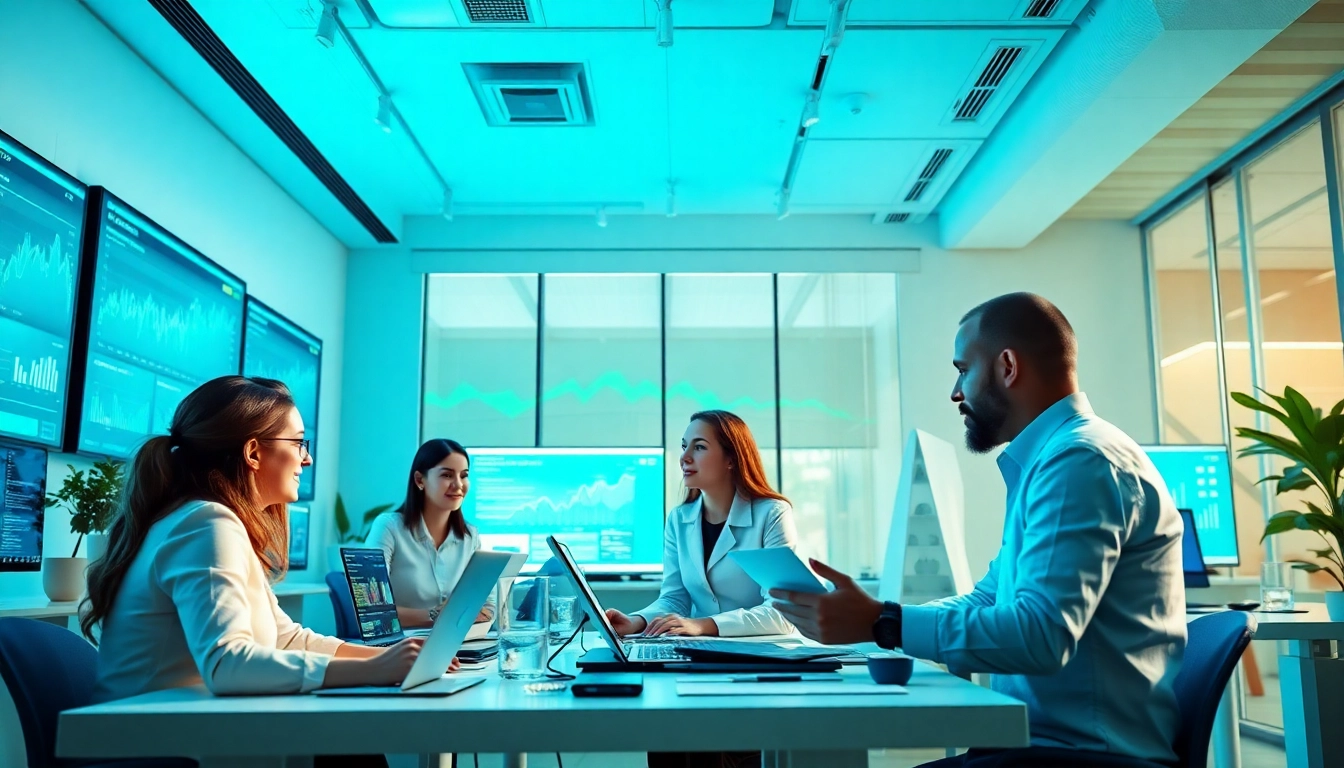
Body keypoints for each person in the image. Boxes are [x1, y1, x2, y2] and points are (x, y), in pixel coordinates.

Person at [772, 293, 1186, 768]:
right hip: (1041, 748)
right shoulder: (1056, 460)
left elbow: (1040, 635)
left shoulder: (1079, 461)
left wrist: (883, 622)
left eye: (963, 370)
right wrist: (867, 621)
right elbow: (989, 597)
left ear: (1007, 366)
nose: (956, 392)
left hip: (1080, 759)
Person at [84, 377, 437, 768]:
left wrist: (387, 657)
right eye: (298, 443)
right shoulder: (206, 524)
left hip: (186, 734)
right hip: (155, 752)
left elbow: (287, 638)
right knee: (348, 746)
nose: (307, 459)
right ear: (253, 452)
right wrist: (372, 669)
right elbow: (227, 664)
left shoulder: (208, 521)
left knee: (348, 743)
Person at [606, 410, 799, 639]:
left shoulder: (772, 514)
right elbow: (674, 599)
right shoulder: (679, 519)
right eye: (684, 446)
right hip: (701, 650)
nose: (685, 457)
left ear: (731, 459)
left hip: (762, 651)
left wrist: (702, 625)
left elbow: (783, 612)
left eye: (699, 447)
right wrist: (636, 622)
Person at [365, 439, 492, 629]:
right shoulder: (389, 527)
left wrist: (482, 614)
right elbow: (371, 610)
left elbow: (488, 606)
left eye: (464, 475)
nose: (458, 485)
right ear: (419, 480)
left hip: (457, 641)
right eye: (447, 475)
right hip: (400, 643)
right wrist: (436, 615)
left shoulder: (470, 537)